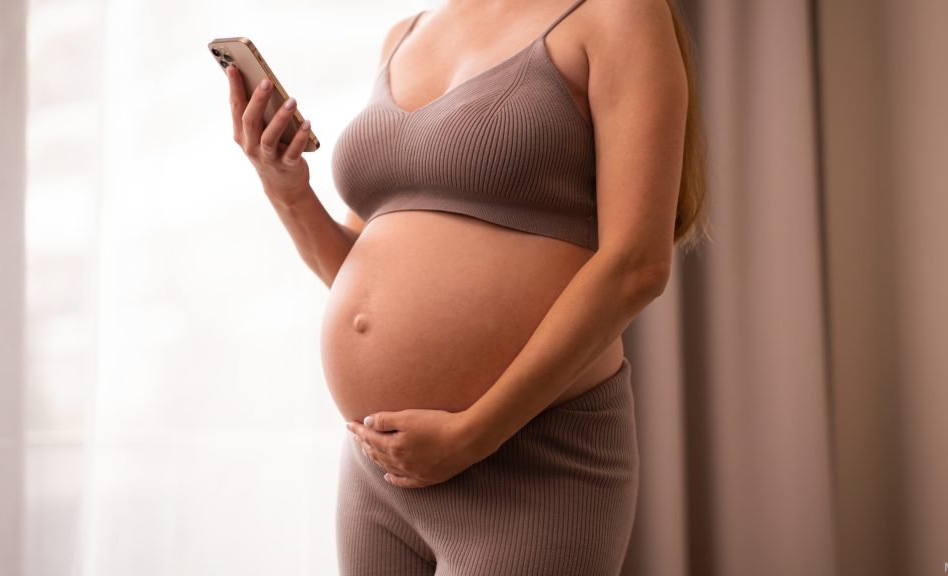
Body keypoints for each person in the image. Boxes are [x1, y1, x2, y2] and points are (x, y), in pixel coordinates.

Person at [226, 0, 709, 572]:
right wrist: (285, 187)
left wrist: (473, 434)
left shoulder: (618, 14)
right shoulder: (404, 36)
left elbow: (636, 265)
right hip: (379, 464)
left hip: (534, 461)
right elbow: (359, 269)